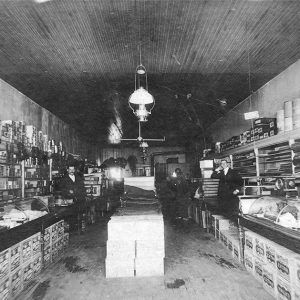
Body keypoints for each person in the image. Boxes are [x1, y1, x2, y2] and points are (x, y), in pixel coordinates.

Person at [58, 163, 87, 233]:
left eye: (73, 169)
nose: (71, 171)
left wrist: (82, 195)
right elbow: (61, 189)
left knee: (79, 215)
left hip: (79, 199)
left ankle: (79, 229)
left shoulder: (78, 178)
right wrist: (68, 191)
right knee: (71, 216)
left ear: (75, 170)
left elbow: (82, 187)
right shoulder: (64, 179)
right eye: (70, 169)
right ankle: (72, 230)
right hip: (69, 200)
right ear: (67, 170)